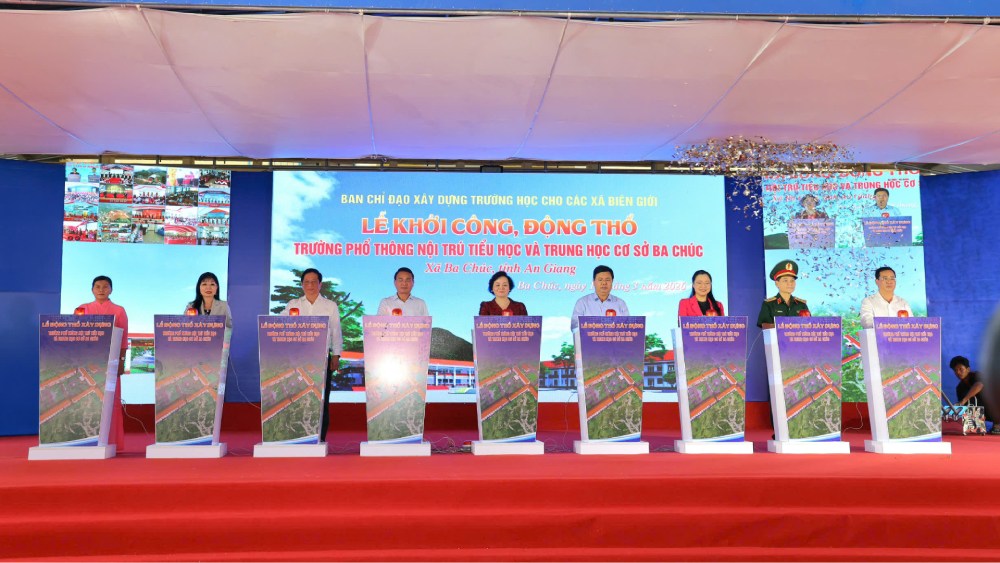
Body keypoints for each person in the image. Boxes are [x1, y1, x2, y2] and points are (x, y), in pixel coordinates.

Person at [281, 268, 343, 442]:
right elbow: (279, 325)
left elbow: (336, 332)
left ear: (320, 284)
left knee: (322, 401)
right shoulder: (293, 305)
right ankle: (297, 435)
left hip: (322, 359)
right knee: (297, 398)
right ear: (302, 285)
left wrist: (336, 355)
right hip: (297, 360)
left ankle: (320, 439)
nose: (310, 285)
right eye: (306, 282)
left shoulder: (330, 305)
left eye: (314, 281)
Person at [77, 276, 129, 450]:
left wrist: (121, 361)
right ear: (92, 289)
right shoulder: (82, 309)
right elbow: (76, 335)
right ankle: (85, 440)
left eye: (105, 287)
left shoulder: (119, 310)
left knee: (111, 401)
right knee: (88, 399)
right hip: (88, 361)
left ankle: (112, 442)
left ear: (111, 290)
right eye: (97, 286)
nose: (101, 290)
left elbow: (123, 339)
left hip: (111, 362)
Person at [951, 356, 1000, 434]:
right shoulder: (959, 388)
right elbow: (963, 407)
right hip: (979, 414)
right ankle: (975, 425)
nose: (958, 372)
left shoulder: (978, 376)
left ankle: (997, 424)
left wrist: (964, 400)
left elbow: (979, 385)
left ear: (968, 369)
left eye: (961, 369)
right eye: (955, 370)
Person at [571, 265, 629, 331]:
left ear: (612, 281)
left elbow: (628, 327)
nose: (604, 283)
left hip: (615, 341)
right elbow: (575, 327)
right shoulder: (582, 303)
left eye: (607, 280)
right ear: (594, 282)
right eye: (600, 280)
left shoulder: (621, 303)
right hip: (589, 341)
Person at [756, 260, 809, 329]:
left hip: (798, 339)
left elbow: (809, 325)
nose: (790, 284)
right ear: (777, 283)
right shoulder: (769, 304)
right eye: (785, 280)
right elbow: (765, 325)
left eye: (792, 280)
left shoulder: (801, 304)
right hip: (777, 339)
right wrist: (786, 327)